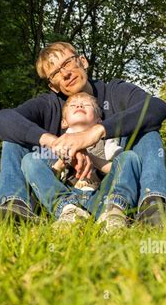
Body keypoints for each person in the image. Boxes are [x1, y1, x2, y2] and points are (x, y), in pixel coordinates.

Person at [0, 41, 166, 228]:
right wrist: (56, 142)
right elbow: (1, 118)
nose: (65, 73)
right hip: (58, 196)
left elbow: (157, 107)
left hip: (110, 194)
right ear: (53, 86)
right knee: (14, 137)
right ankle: (17, 208)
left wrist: (95, 133)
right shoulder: (48, 105)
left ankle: (153, 208)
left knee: (147, 129)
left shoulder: (114, 91)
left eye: (67, 63)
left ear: (83, 61)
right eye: (55, 73)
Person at [21, 91, 142, 232]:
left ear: (99, 120)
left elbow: (118, 169)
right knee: (29, 160)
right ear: (64, 122)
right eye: (73, 105)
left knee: (130, 157)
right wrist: (64, 160)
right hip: (69, 196)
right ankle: (69, 211)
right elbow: (47, 178)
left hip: (101, 197)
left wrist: (91, 158)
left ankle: (114, 212)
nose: (79, 105)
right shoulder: (57, 144)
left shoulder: (107, 140)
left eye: (86, 105)